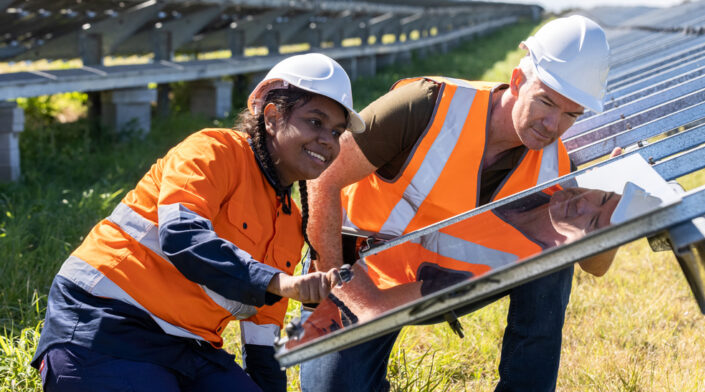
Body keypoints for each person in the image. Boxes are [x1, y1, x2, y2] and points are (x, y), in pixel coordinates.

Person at [300, 16, 617, 391]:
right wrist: (340, 285)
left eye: (570, 115)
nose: (552, 125)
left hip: (444, 282)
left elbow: (594, 265)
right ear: (517, 80)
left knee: (554, 255)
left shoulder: (556, 165)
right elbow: (322, 177)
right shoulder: (426, 105)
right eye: (545, 101)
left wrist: (613, 196)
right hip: (363, 273)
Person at [30, 53, 365, 392]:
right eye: (315, 122)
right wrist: (279, 282)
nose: (328, 140)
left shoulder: (290, 222)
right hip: (105, 325)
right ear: (272, 117)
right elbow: (182, 236)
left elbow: (263, 344)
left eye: (337, 132)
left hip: (189, 347)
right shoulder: (212, 151)